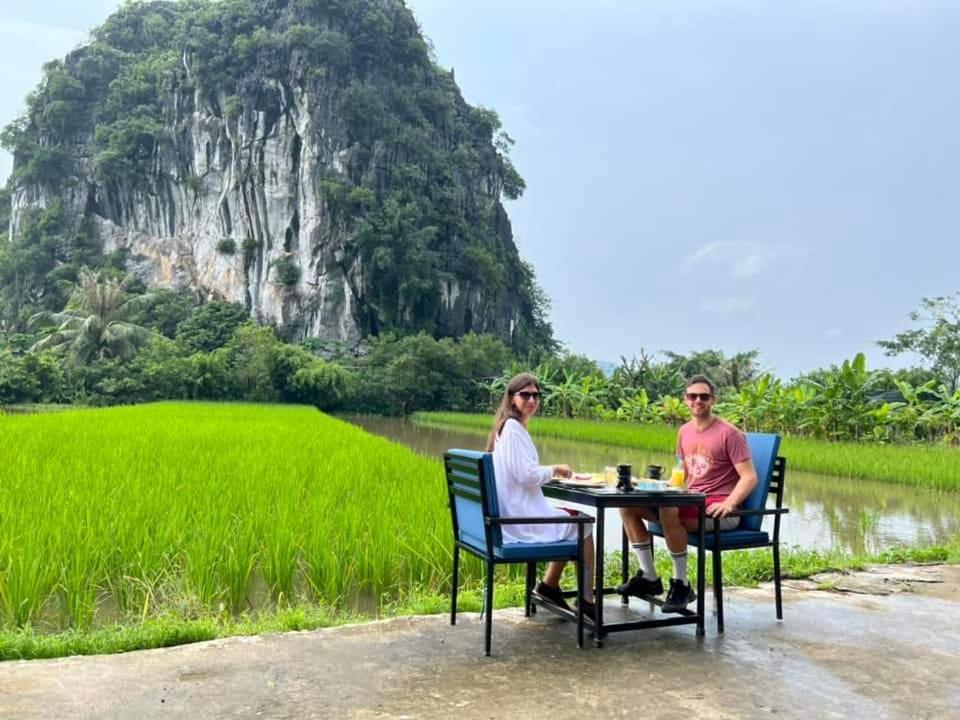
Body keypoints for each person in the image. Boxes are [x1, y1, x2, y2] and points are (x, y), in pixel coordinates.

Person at [617, 375, 758, 612]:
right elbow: (681, 471)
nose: (698, 400)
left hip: (718, 510)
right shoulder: (684, 431)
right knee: (626, 505)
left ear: (713, 400)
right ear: (685, 400)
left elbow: (750, 476)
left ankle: (681, 584)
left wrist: (730, 503)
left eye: (704, 396)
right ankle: (649, 577)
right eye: (693, 396)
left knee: (669, 510)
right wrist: (653, 485)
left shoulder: (729, 434)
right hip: (689, 500)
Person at [487, 373, 597, 616]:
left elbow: (522, 472)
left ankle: (549, 586)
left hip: (511, 515)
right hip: (519, 522)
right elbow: (525, 476)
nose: (531, 400)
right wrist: (554, 469)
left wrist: (546, 472)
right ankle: (587, 601)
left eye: (535, 395)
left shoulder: (508, 427)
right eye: (525, 395)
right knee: (585, 525)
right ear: (511, 398)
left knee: (570, 517)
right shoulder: (513, 429)